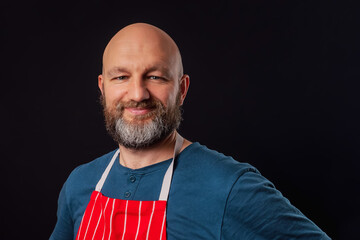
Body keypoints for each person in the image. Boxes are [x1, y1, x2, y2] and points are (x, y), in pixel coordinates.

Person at [50, 23, 330, 240]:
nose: (137, 93)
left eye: (155, 77)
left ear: (181, 90)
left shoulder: (227, 186)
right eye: (121, 77)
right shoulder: (80, 183)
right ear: (103, 88)